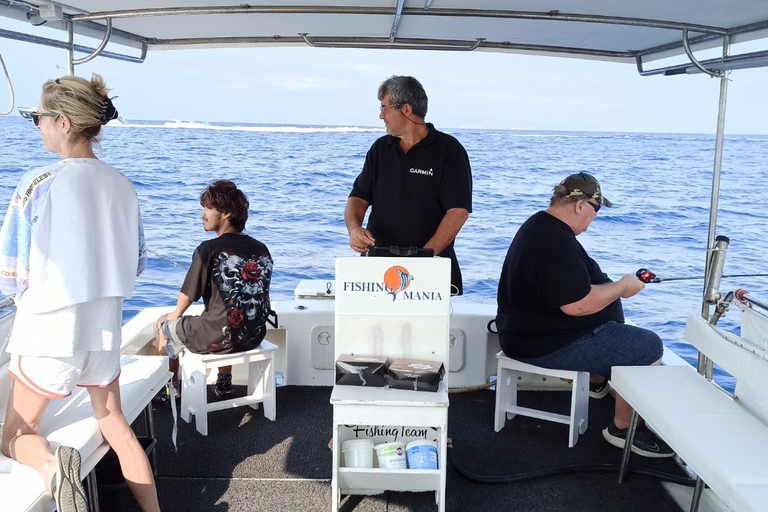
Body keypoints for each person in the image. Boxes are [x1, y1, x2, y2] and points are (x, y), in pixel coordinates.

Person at [0, 75, 160, 511]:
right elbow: (138, 263)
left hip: (49, 334)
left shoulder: (39, 182)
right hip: (102, 330)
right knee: (115, 425)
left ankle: (56, 471)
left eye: (40, 117)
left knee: (14, 436)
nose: (38, 126)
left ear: (65, 122)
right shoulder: (123, 186)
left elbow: (10, 272)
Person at [495, 172, 674, 458]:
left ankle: (595, 381)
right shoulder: (557, 243)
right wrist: (622, 288)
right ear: (581, 206)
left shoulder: (539, 224)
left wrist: (610, 289)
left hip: (523, 329)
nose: (594, 219)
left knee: (613, 313)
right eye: (596, 210)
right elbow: (576, 305)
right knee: (646, 346)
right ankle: (623, 429)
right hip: (539, 343)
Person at [345, 75, 473, 295]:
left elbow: (458, 212)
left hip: (432, 266)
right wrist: (354, 229)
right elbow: (358, 198)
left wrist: (425, 257)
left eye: (384, 109)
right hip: (377, 267)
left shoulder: (449, 150)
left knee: (428, 330)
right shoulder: (380, 148)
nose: (381, 116)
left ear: (405, 109)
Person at [155, 180, 273, 400]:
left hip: (218, 338)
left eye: (208, 207)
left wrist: (171, 317)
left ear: (226, 213)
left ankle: (170, 390)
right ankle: (224, 383)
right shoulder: (261, 248)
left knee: (165, 327)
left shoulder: (207, 249)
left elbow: (188, 295)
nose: (203, 213)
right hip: (254, 334)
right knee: (225, 317)